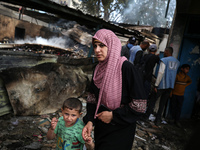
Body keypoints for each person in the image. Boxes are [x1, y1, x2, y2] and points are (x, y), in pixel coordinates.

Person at [82, 29, 147, 150]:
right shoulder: (98, 69)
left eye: (101, 45)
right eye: (95, 45)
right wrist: (90, 121)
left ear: (111, 45)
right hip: (102, 128)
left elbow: (139, 105)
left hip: (121, 129)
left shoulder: (126, 68)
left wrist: (114, 116)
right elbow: (92, 99)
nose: (97, 50)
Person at [150, 47, 180, 126]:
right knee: (162, 104)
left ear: (167, 51)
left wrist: (156, 85)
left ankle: (146, 116)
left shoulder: (164, 60)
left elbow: (160, 73)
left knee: (153, 100)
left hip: (162, 85)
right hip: (170, 86)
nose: (164, 53)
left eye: (165, 51)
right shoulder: (177, 62)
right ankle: (158, 120)